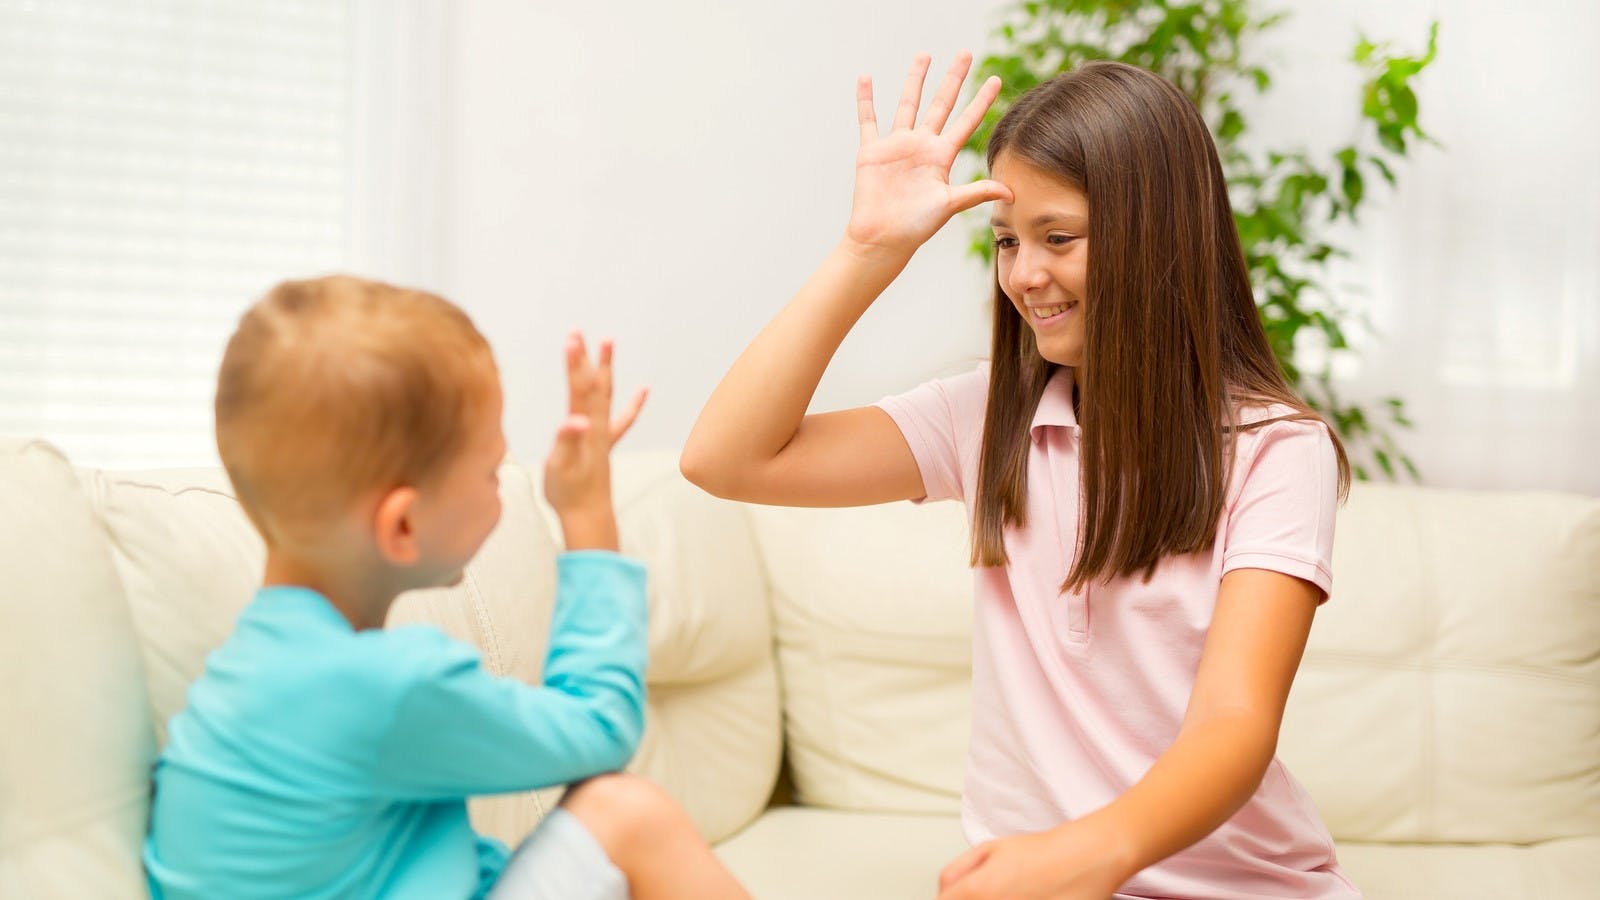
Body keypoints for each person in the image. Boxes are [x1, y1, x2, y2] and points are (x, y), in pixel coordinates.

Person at [680, 52, 1359, 900]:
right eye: (1006, 241)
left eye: (1058, 238)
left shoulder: (1274, 450)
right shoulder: (992, 415)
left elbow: (1234, 721)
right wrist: (867, 249)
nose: (1024, 275)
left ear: (1158, 235)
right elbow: (725, 457)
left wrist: (1090, 853)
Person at [144, 275, 750, 900]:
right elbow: (602, 727)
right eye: (489, 470)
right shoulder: (388, 687)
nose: (502, 486)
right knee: (627, 813)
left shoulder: (241, 677)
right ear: (403, 525)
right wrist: (588, 513)